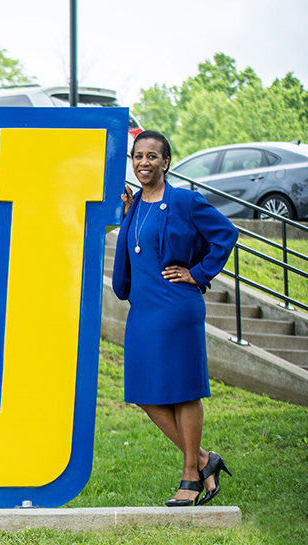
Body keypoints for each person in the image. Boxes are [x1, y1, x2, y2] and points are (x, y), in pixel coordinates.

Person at [112, 130, 238, 507]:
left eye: (152, 156)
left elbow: (226, 233)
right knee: (143, 392)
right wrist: (126, 213)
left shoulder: (183, 200)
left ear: (166, 162)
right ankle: (204, 460)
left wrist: (197, 273)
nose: (143, 163)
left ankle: (190, 476)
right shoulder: (133, 205)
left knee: (183, 390)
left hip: (176, 305)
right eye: (138, 156)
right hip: (144, 308)